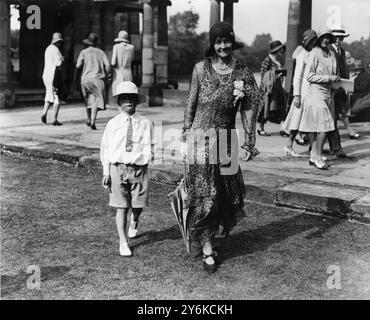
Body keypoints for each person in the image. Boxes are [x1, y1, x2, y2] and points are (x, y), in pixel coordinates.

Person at [183, 22, 260, 273]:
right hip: (200, 138)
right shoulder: (199, 69)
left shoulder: (244, 74)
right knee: (206, 194)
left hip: (227, 138)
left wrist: (249, 141)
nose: (223, 46)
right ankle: (207, 249)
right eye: (218, 42)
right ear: (212, 45)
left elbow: (250, 107)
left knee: (224, 194)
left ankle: (210, 237)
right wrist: (186, 131)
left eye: (226, 41)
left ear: (232, 42)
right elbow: (191, 101)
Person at [100, 81, 153, 257]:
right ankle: (123, 242)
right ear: (119, 102)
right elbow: (106, 148)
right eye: (124, 98)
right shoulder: (113, 124)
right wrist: (106, 172)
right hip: (118, 168)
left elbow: (149, 144)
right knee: (121, 206)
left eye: (132, 98)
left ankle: (135, 220)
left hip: (138, 168)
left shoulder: (145, 122)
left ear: (137, 102)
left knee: (138, 204)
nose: (129, 101)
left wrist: (146, 159)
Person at [299, 30, 339, 170]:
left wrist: (337, 83)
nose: (326, 40)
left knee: (318, 125)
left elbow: (334, 74)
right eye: (323, 37)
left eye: (328, 38)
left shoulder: (332, 54)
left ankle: (314, 155)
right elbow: (309, 76)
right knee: (323, 126)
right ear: (319, 39)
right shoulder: (314, 53)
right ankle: (317, 155)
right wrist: (328, 78)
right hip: (315, 94)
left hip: (329, 94)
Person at [283, 30, 318, 157]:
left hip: (313, 92)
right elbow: (297, 77)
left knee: (310, 120)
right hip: (303, 93)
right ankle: (289, 145)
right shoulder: (302, 55)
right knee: (297, 120)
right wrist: (297, 95)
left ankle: (312, 148)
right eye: (311, 41)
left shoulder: (314, 54)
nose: (313, 43)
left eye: (315, 41)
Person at [76, 33, 111, 130]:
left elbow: (78, 65)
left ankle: (88, 119)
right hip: (97, 79)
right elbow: (108, 65)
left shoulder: (83, 52)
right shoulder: (101, 52)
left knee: (88, 99)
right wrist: (107, 75)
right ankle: (92, 121)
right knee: (96, 100)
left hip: (85, 79)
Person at [327, 29, 352, 155]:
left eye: (341, 38)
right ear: (332, 38)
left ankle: (332, 147)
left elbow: (345, 72)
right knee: (331, 118)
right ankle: (336, 148)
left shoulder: (342, 52)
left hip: (340, 91)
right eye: (336, 37)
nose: (339, 40)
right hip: (328, 90)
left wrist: (347, 88)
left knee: (334, 117)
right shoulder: (327, 50)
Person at [258, 40, 288, 137]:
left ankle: (283, 128)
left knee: (281, 108)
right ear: (276, 50)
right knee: (265, 109)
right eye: (280, 49)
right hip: (269, 89)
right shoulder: (268, 60)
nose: (281, 51)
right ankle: (261, 128)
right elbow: (263, 75)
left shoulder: (276, 60)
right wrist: (275, 76)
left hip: (277, 88)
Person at [41, 32, 64, 126]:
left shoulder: (48, 48)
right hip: (53, 75)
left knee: (49, 94)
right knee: (57, 97)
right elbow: (58, 64)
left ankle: (44, 113)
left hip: (46, 74)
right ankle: (54, 119)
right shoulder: (56, 50)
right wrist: (62, 59)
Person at [111, 31, 135, 96]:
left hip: (118, 72)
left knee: (118, 92)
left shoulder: (116, 47)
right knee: (128, 92)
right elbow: (132, 59)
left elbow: (113, 62)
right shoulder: (131, 47)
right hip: (128, 73)